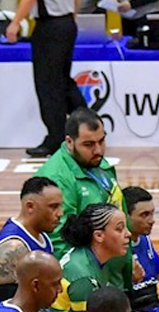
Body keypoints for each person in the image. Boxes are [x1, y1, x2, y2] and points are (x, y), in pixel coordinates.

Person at [6, 0, 86, 157]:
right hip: (67, 22)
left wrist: (15, 22)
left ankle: (55, 137)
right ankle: (88, 122)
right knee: (62, 79)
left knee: (47, 84)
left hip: (49, 25)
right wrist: (73, 15)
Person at [38, 108, 123, 256]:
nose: (98, 150)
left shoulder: (98, 162)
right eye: (88, 144)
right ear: (70, 142)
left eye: (101, 141)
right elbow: (59, 241)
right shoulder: (57, 180)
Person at [0, 177, 64, 310]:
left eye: (60, 206)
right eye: (53, 207)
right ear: (30, 206)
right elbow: (11, 308)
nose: (60, 213)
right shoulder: (12, 248)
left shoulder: (42, 236)